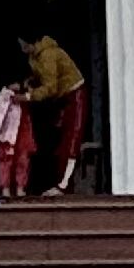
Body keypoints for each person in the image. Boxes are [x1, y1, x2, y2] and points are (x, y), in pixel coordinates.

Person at [19, 26, 85, 194]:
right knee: (59, 143)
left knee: (71, 140)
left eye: (24, 44)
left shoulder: (48, 55)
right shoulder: (35, 56)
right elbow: (43, 76)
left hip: (74, 96)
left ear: (33, 42)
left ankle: (64, 185)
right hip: (61, 100)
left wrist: (28, 96)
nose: (22, 48)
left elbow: (50, 87)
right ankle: (59, 183)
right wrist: (27, 83)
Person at [0, 72, 33, 202]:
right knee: (6, 161)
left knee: (22, 161)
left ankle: (20, 187)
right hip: (7, 134)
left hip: (23, 134)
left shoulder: (26, 97)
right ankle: (5, 188)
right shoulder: (4, 96)